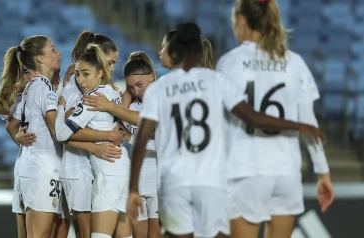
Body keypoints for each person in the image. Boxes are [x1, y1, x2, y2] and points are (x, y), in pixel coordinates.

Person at [126, 22, 326, 238]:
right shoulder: (217, 81)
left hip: (175, 183)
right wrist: (297, 125)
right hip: (211, 181)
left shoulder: (159, 89)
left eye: (164, 48)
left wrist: (133, 188)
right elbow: (253, 117)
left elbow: (141, 139)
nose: (160, 51)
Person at [216, 1, 334, 237]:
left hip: (245, 171)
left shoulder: (229, 63)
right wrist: (323, 173)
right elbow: (309, 124)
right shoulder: (295, 63)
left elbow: (218, 126)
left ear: (241, 21)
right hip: (286, 173)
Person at [55, 44, 132, 238]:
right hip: (122, 167)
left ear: (99, 73)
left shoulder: (92, 99)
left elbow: (62, 134)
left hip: (109, 172)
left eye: (86, 74)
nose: (81, 80)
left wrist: (61, 107)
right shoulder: (113, 93)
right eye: (78, 75)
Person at [82, 51, 160, 238]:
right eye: (131, 88)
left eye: (140, 85)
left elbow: (163, 146)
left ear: (151, 76)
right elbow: (120, 114)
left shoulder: (163, 101)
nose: (136, 91)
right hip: (137, 182)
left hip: (159, 181)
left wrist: (130, 138)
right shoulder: (131, 106)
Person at [1, 35, 62, 238]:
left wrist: (18, 139)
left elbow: (11, 126)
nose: (58, 53)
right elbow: (59, 132)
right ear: (40, 59)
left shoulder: (31, 86)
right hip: (42, 170)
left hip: (27, 166)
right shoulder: (44, 88)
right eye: (52, 49)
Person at [0, 65, 37, 238]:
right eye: (53, 50)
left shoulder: (58, 86)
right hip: (31, 167)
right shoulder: (26, 90)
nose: (58, 54)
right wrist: (18, 86)